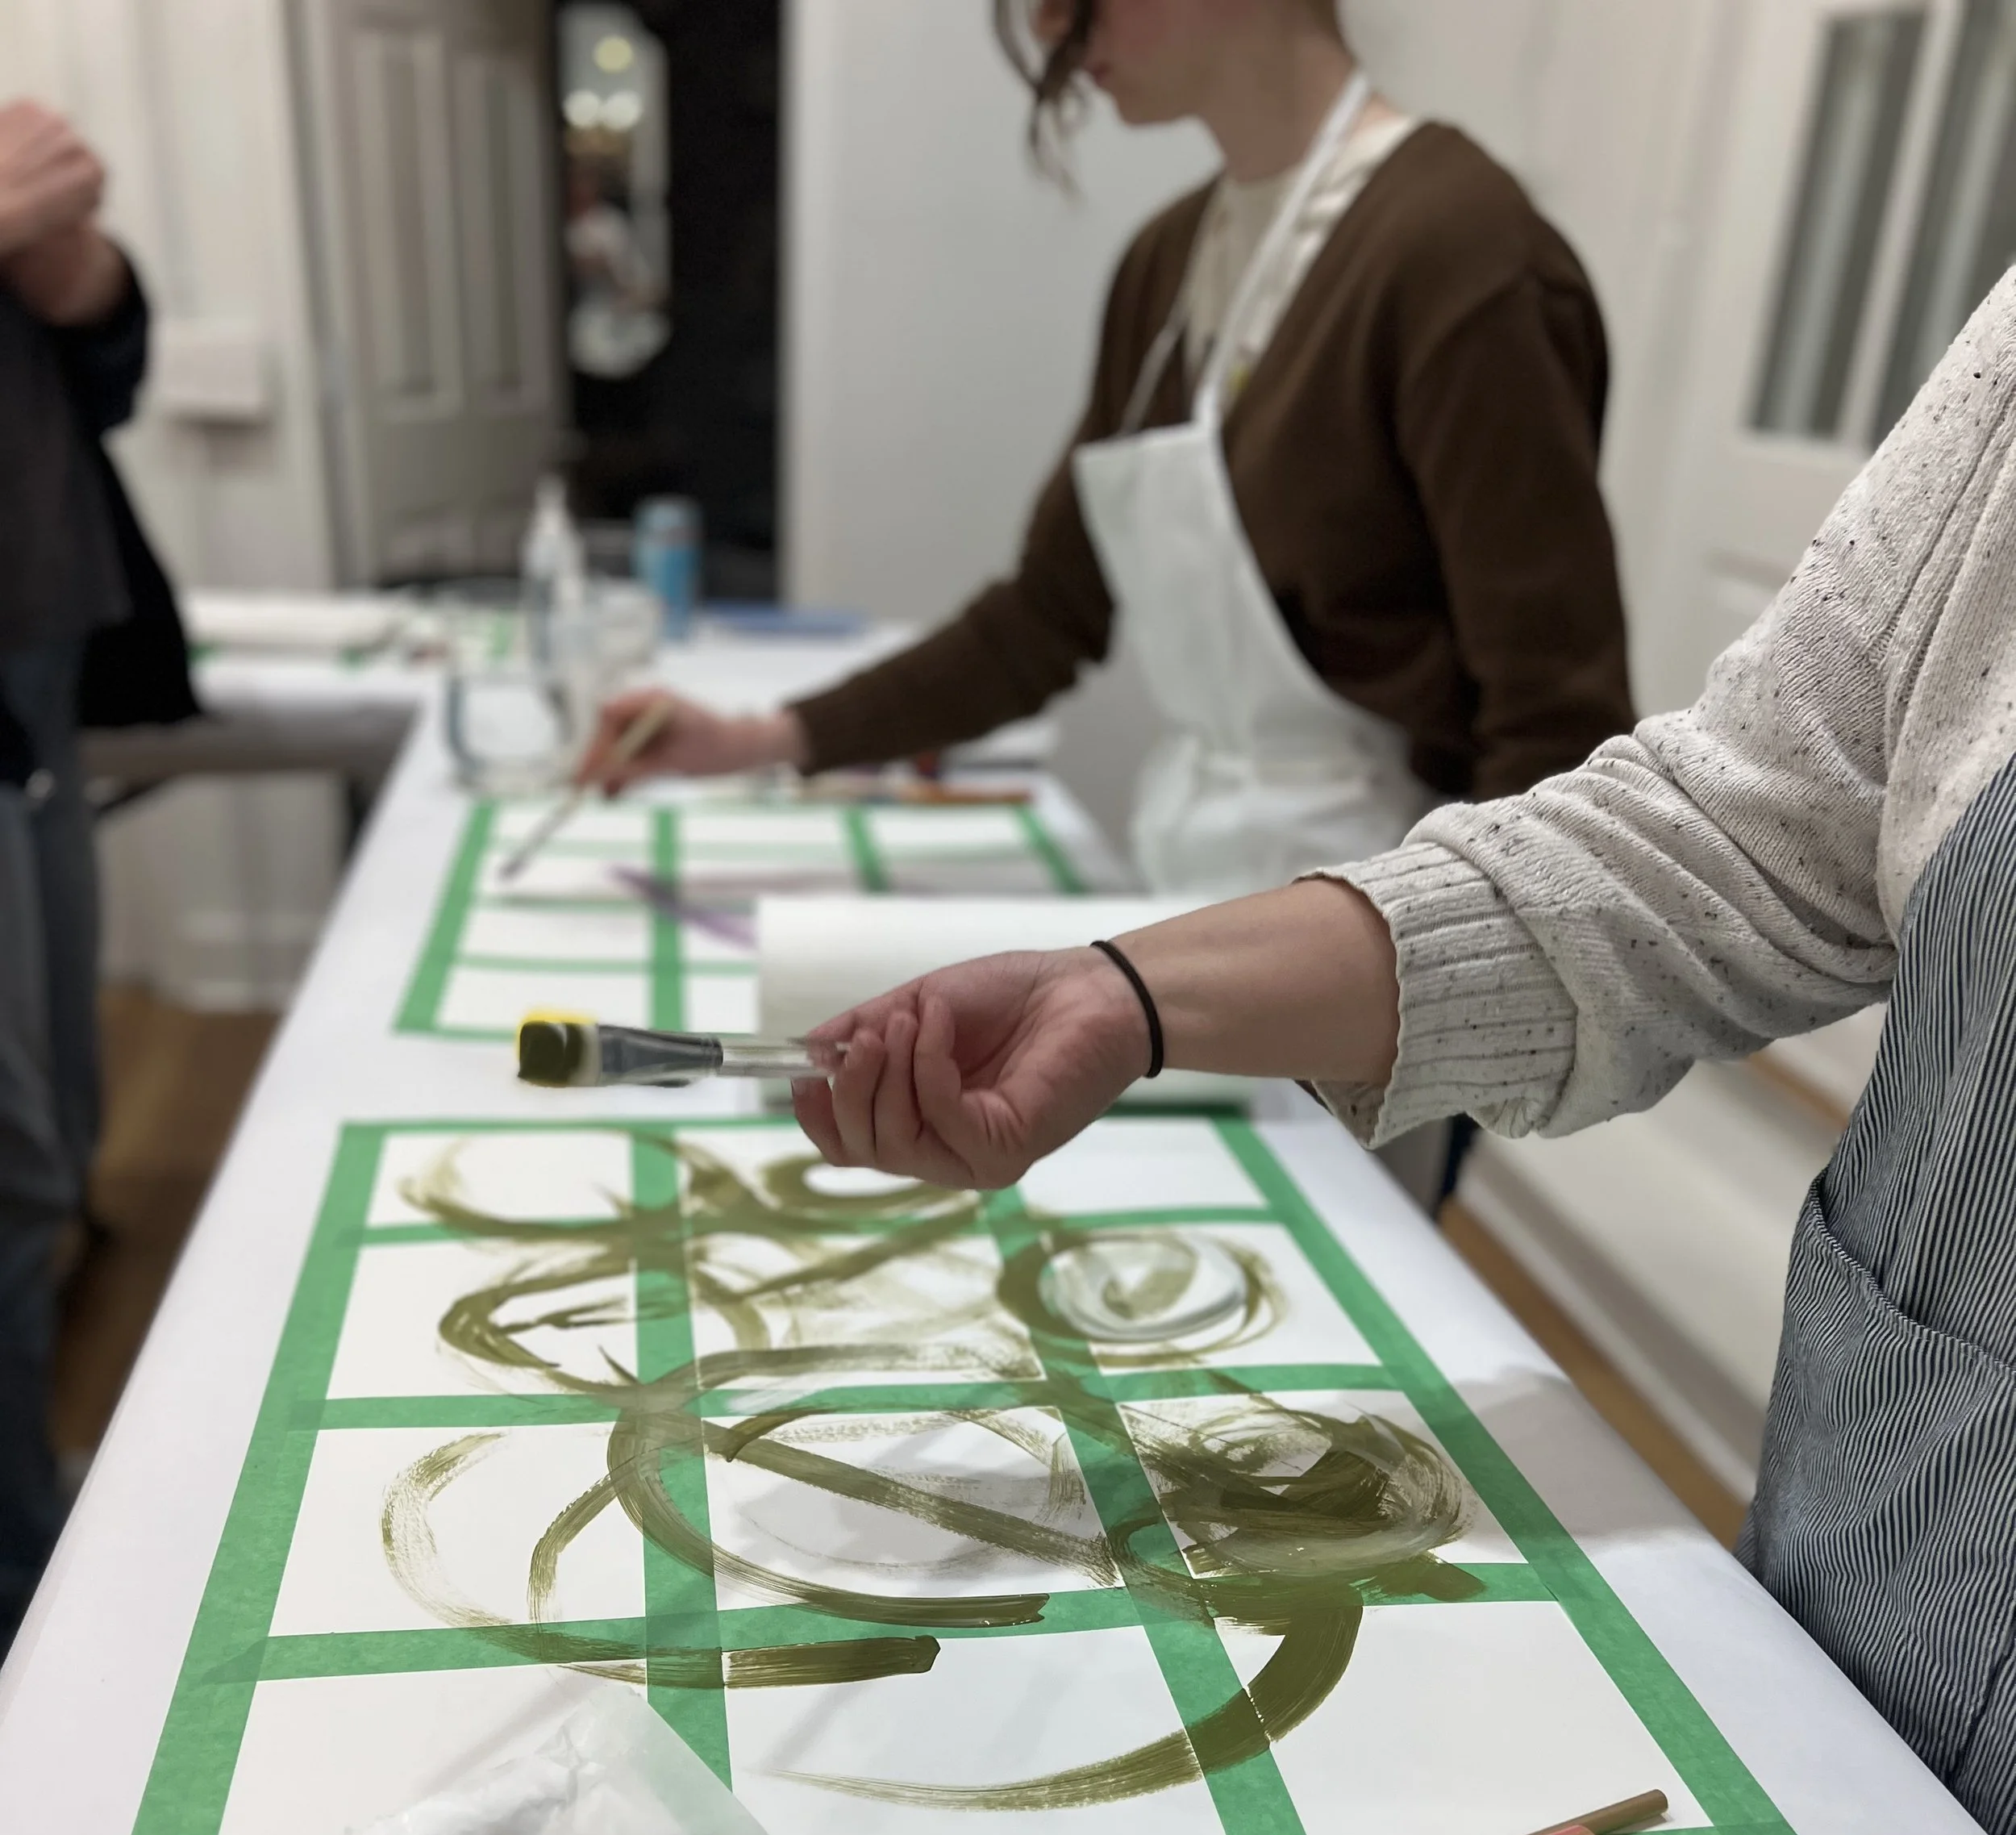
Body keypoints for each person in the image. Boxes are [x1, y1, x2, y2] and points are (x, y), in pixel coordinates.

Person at [783, 266, 2016, 1835]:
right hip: (1882, 1574)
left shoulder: (1465, 266)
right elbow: (1741, 830)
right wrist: (1126, 995)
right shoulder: (1169, 265)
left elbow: (1549, 701)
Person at [580, 0, 1633, 1190]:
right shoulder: (1172, 264)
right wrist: (757, 740)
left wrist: (1454, 1038)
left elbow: (1556, 734)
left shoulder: (1464, 256)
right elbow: (1044, 617)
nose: (1046, 31)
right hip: (1179, 915)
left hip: (1376, 974)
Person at [0, 99, 194, 1656]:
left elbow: (104, 377)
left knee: (54, 1139)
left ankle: (34, 1537)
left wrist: (88, 278)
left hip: (36, 663)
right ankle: (27, 1607)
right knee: (14, 1167)